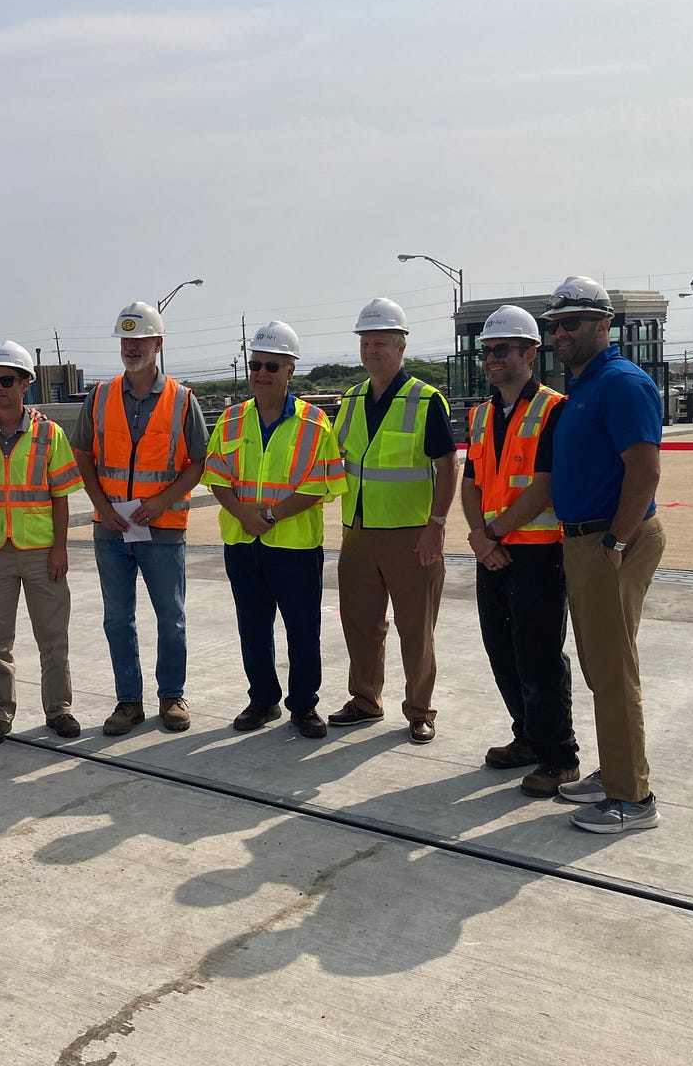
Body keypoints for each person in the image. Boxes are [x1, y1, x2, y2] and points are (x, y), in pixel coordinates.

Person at [542, 275, 667, 834]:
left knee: (614, 671)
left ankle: (632, 799)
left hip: (611, 541)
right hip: (587, 541)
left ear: (604, 324)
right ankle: (615, 771)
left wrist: (616, 541)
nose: (561, 334)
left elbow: (644, 469)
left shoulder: (621, 383)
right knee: (600, 666)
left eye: (572, 323)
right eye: (555, 325)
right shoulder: (585, 386)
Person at [202, 321, 346, 740]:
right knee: (253, 628)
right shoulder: (230, 420)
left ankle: (303, 705)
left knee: (302, 629)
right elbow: (216, 476)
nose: (261, 374)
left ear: (290, 371)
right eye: (256, 365)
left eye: (271, 366)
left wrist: (272, 515)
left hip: (295, 546)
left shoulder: (314, 423)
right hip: (242, 543)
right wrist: (243, 515)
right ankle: (263, 700)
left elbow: (320, 483)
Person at [73, 300, 208, 736]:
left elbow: (198, 462)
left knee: (171, 616)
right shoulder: (99, 396)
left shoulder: (182, 400)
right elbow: (83, 455)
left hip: (161, 529)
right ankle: (128, 702)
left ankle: (172, 696)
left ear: (158, 345)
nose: (131, 348)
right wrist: (102, 507)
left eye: (141, 340)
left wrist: (163, 502)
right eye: (125, 341)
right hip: (111, 529)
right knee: (117, 618)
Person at [460, 306, 578, 797]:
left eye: (502, 349)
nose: (491, 358)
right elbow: (471, 483)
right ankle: (527, 737)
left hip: (538, 554)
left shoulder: (554, 410)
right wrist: (479, 537)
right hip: (492, 553)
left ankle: (560, 756)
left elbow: (545, 487)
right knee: (502, 651)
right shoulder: (481, 415)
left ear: (531, 353)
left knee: (539, 656)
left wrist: (492, 534)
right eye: (486, 351)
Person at [329, 298, 458, 744]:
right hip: (358, 532)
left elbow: (447, 465)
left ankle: (420, 710)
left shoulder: (426, 399)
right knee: (360, 624)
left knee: (416, 630)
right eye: (365, 343)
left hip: (412, 534)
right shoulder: (350, 399)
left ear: (401, 347)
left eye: (380, 343)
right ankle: (365, 700)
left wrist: (436, 525)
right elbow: (336, 458)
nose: (371, 351)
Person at [0, 342, 83, 745]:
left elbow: (61, 495)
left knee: (53, 637)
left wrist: (60, 549)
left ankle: (59, 709)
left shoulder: (49, 433)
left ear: (26, 383)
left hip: (42, 552)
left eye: (6, 380)